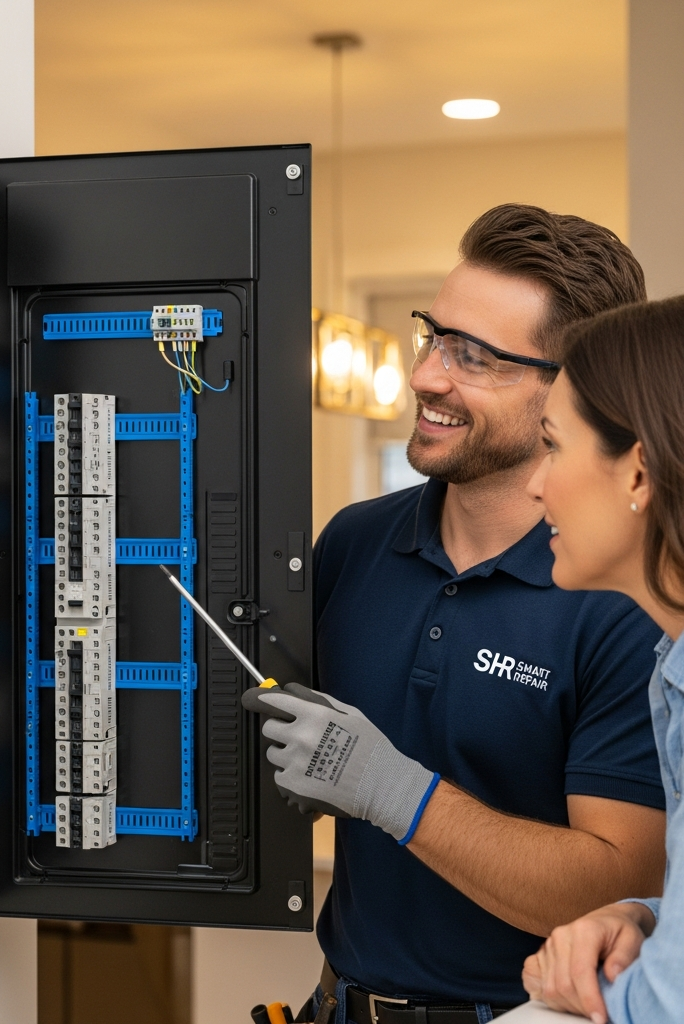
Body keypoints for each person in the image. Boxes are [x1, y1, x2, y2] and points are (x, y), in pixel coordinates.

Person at [244, 205, 667, 1022]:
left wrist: (390, 788)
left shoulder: (620, 594)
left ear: (567, 385)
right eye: (433, 336)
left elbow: (622, 882)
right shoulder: (354, 542)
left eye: (474, 356)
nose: (428, 376)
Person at [518, 296, 684, 1023]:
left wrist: (570, 988)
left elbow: (663, 1007)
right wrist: (644, 917)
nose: (536, 483)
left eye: (552, 444)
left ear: (639, 474)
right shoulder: (670, 667)